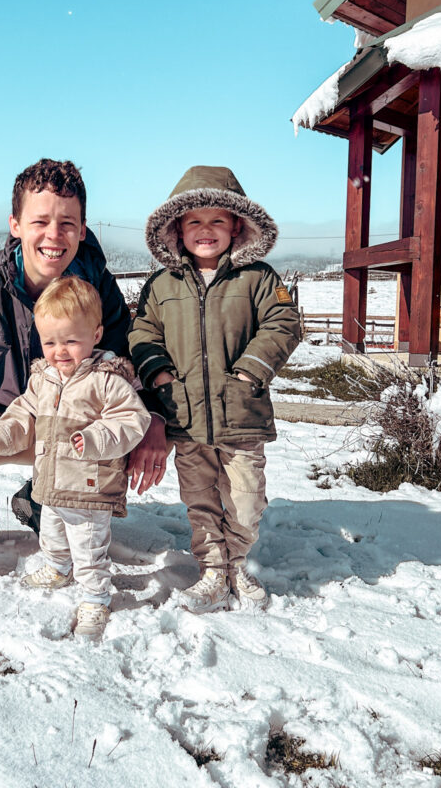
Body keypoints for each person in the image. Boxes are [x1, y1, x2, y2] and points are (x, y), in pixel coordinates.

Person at [0, 158, 168, 583]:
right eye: (40, 221)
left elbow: (130, 356)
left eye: (67, 223)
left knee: (117, 407)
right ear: (15, 224)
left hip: (70, 430)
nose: (53, 236)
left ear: (82, 229)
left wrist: (153, 419)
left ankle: (45, 499)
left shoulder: (95, 286)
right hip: (4, 425)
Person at [129, 166, 301, 613]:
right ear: (177, 229)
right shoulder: (161, 285)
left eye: (217, 221)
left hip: (241, 415)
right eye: (195, 222)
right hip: (184, 417)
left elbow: (284, 323)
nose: (206, 231)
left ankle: (236, 563)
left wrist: (249, 372)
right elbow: (142, 332)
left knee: (245, 500)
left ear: (237, 227)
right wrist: (160, 375)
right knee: (200, 500)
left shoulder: (258, 278)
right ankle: (211, 571)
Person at [0, 276, 150, 637]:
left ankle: (95, 598)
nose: (59, 351)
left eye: (71, 341)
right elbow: (23, 412)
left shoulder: (107, 380)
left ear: (97, 334)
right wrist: (0, 435)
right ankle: (57, 568)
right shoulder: (44, 379)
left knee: (88, 547)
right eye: (50, 341)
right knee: (52, 534)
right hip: (50, 480)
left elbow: (133, 420)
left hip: (88, 486)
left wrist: (93, 439)